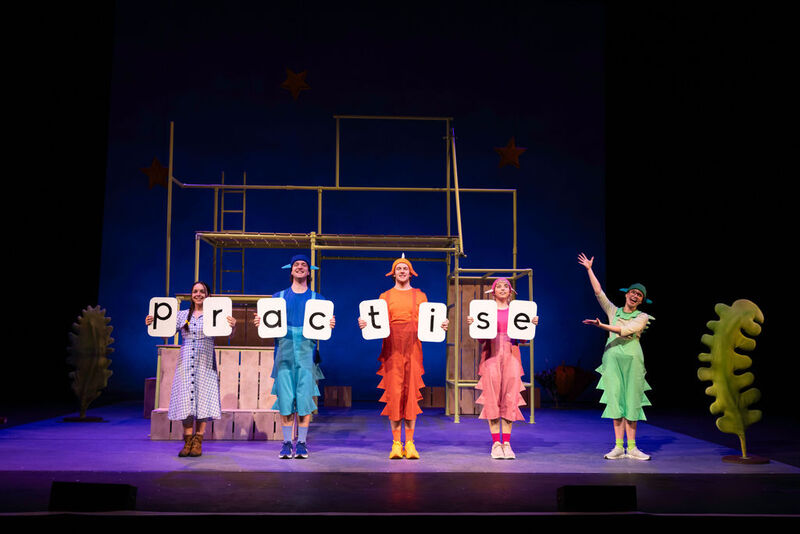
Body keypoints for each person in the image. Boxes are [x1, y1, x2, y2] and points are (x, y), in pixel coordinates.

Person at [358, 255, 448, 459]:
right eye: (398, 268)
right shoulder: (385, 296)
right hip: (392, 350)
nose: (401, 271)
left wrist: (442, 325)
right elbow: (376, 322)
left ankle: (411, 442)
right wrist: (365, 324)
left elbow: (430, 322)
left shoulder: (421, 296)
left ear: (410, 272)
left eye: (404, 268)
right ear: (393, 273)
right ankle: (396, 443)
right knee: (394, 394)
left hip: (413, 349)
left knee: (410, 396)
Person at [253, 254, 335, 459]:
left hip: (307, 352)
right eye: (296, 265)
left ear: (309, 271)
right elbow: (269, 325)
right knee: (286, 398)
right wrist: (260, 322)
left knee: (305, 398)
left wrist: (329, 324)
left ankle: (302, 443)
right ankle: (287, 442)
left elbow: (322, 328)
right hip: (284, 351)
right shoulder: (277, 297)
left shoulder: (319, 299)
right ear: (290, 270)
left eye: (304, 265)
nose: (300, 267)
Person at [145, 281, 236, 457]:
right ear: (191, 295)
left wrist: (233, 326)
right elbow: (165, 332)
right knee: (186, 400)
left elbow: (228, 335)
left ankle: (198, 441)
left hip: (205, 361)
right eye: (195, 291)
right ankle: (187, 441)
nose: (199, 294)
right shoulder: (182, 315)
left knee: (202, 400)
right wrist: (152, 322)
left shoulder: (215, 314)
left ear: (208, 295)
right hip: (186, 361)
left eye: (202, 291)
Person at [578, 253, 652, 460]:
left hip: (633, 361)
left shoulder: (642, 317)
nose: (635, 296)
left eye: (639, 295)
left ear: (641, 300)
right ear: (627, 294)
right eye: (633, 292)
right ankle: (619, 446)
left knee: (632, 401)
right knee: (616, 400)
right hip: (612, 359)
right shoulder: (613, 310)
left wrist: (602, 325)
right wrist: (589, 269)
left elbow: (625, 330)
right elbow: (598, 292)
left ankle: (633, 447)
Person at [466, 277, 538, 459]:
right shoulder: (486, 311)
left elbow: (523, 338)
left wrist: (532, 324)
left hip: (511, 356)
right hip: (491, 356)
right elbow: (481, 337)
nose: (503, 289)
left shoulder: (517, 311)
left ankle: (506, 442)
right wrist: (473, 324)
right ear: (493, 291)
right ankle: (495, 444)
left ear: (511, 291)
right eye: (499, 286)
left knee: (510, 398)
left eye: (506, 286)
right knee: (492, 398)